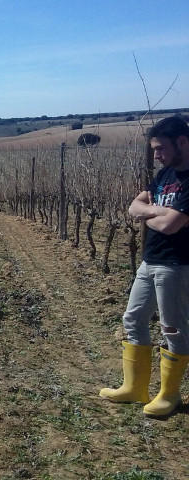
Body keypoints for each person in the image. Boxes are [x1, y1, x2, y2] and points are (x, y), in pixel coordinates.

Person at [100, 115, 189, 417]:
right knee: (133, 320)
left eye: (161, 148)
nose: (156, 155)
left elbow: (171, 226)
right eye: (153, 149)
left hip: (177, 265)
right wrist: (156, 210)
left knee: (173, 329)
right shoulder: (165, 175)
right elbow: (134, 206)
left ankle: (169, 395)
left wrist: (151, 213)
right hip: (150, 261)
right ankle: (135, 387)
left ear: (182, 142)